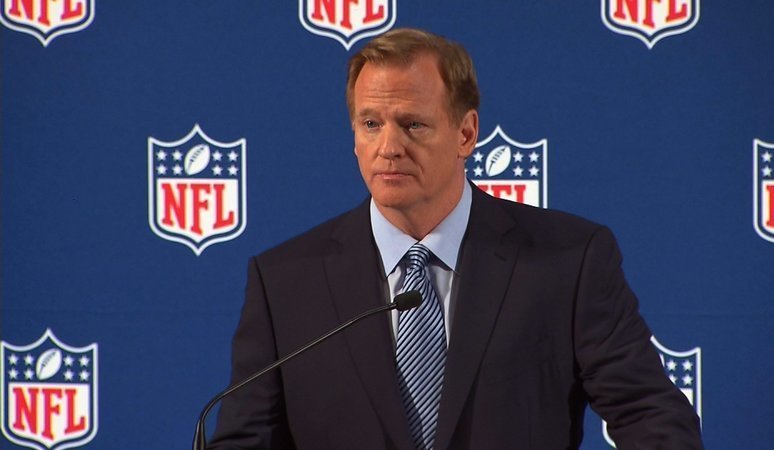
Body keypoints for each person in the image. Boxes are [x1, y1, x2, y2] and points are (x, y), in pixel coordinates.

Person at [208, 28, 703, 449]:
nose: (389, 147)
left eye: (413, 124)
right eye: (371, 124)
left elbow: (652, 417)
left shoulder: (568, 260)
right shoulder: (285, 282)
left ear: (466, 134)